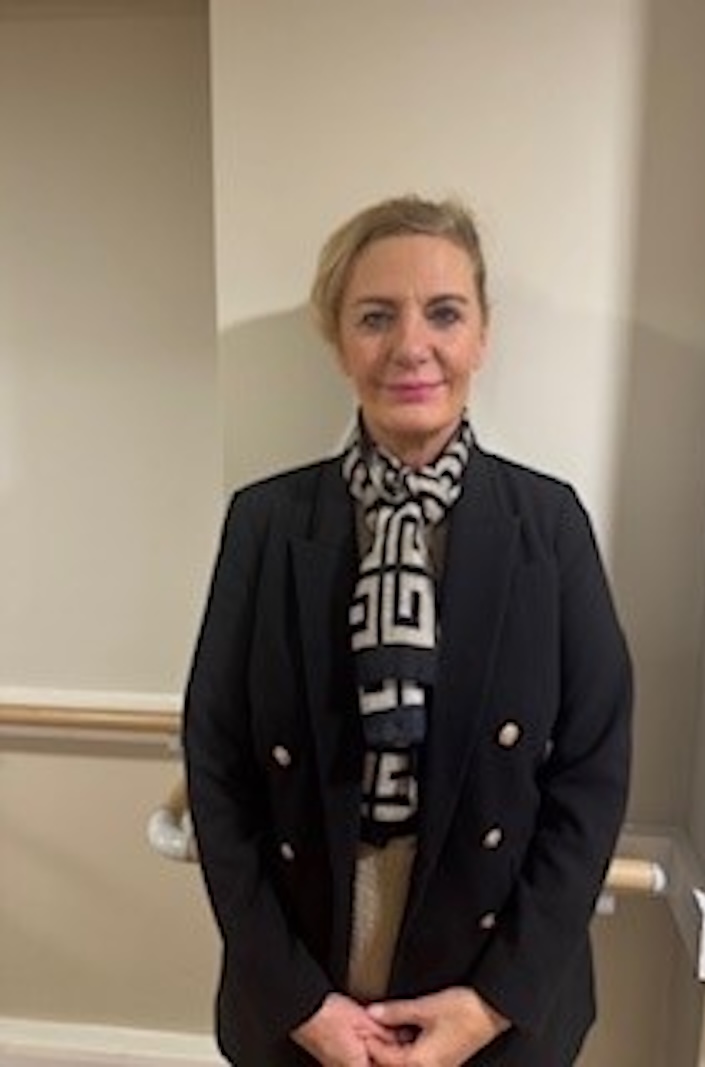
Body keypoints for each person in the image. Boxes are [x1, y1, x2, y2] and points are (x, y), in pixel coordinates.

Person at [183, 195, 632, 1067]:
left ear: (483, 335)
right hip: (299, 998)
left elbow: (593, 776)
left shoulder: (550, 526)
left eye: (445, 313)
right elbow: (217, 762)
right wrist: (299, 1001)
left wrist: (490, 1004)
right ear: (337, 339)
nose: (412, 346)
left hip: (496, 1006)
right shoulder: (265, 522)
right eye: (376, 316)